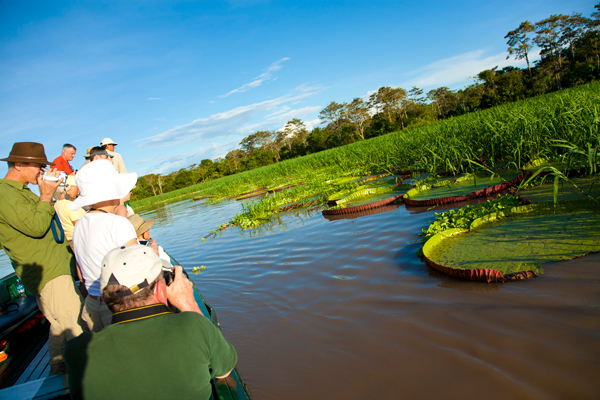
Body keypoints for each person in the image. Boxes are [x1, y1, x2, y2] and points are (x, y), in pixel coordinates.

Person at [65, 245, 237, 400]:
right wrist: (189, 304)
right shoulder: (194, 325)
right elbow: (225, 369)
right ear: (159, 289)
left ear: (104, 299)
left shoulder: (77, 351)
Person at [0, 142, 85, 375]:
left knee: (58, 327)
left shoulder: (20, 191)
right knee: (77, 327)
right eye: (38, 165)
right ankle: (90, 379)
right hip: (49, 273)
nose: (41, 170)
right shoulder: (4, 193)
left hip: (51, 269)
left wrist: (44, 193)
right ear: (17, 164)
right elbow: (36, 226)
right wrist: (46, 195)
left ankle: (59, 374)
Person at [71, 160, 139, 332]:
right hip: (118, 304)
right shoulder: (117, 223)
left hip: (93, 304)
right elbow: (138, 269)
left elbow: (80, 273)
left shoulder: (78, 225)